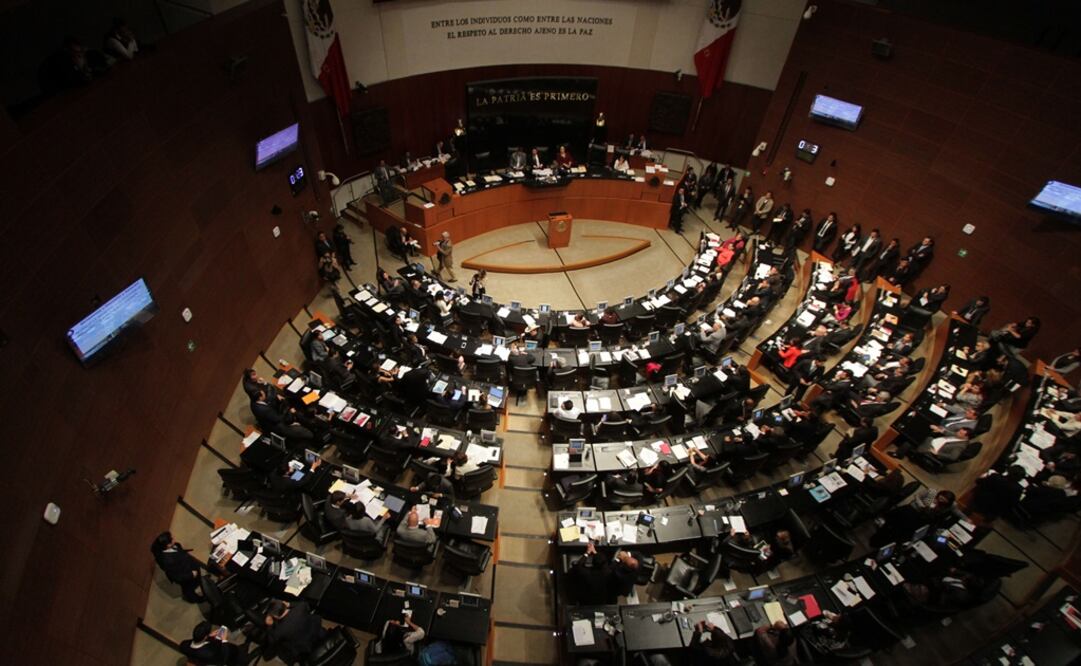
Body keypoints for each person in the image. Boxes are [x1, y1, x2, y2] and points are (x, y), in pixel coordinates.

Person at [151, 531, 203, 602]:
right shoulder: (168, 561)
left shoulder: (175, 545)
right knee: (189, 589)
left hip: (189, 566)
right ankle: (193, 599)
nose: (174, 539)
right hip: (187, 575)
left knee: (197, 580)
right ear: (168, 545)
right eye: (172, 539)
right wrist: (191, 574)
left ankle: (199, 581)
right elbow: (177, 577)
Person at [180, 622, 246, 665]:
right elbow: (223, 659)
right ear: (204, 637)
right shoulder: (208, 653)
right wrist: (224, 641)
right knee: (240, 654)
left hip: (210, 651)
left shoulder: (184, 645)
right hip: (232, 657)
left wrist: (209, 636)